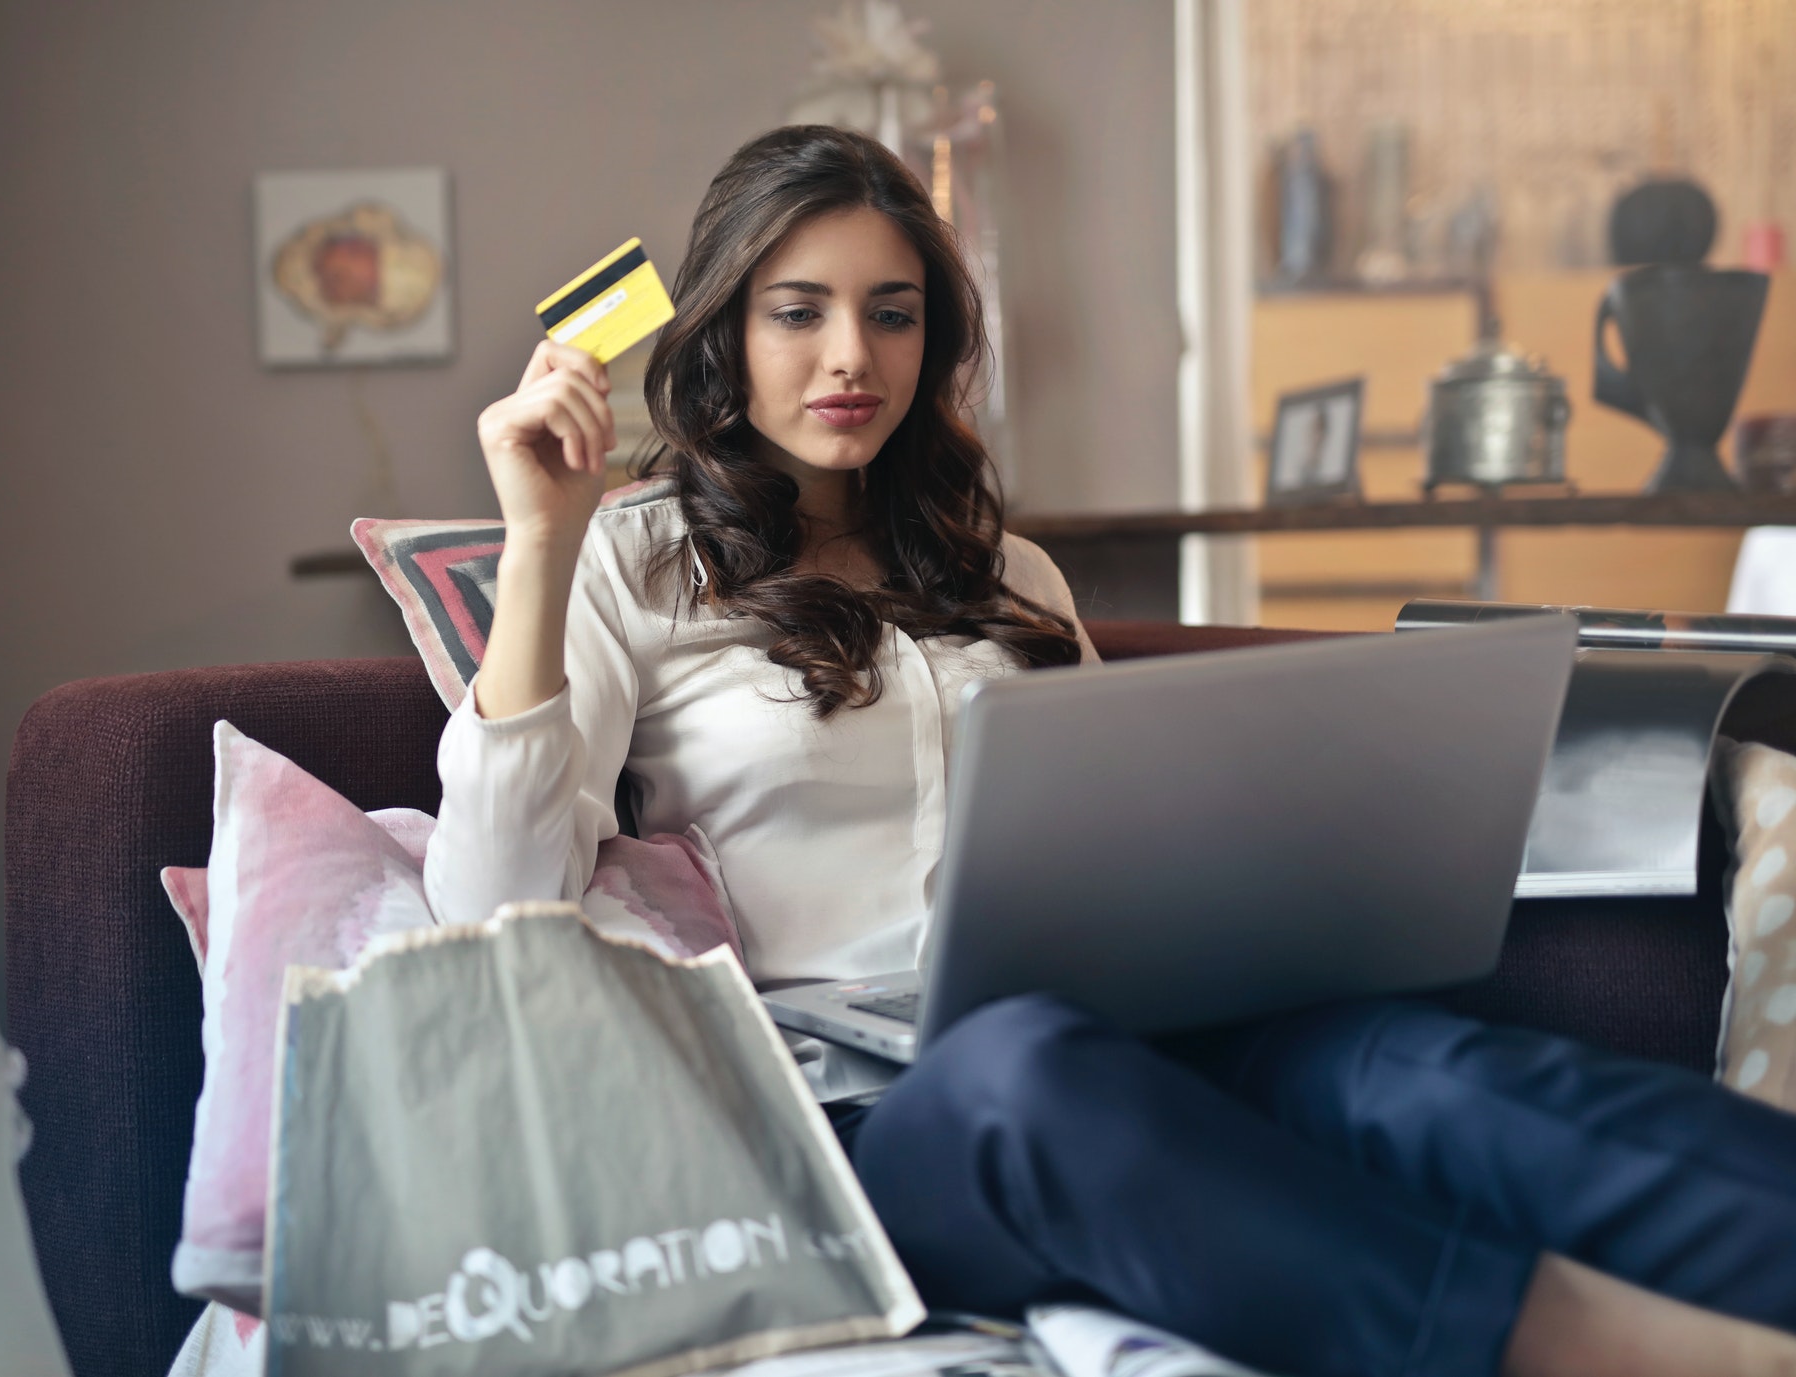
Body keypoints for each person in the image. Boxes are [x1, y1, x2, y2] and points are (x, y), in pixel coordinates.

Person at [425, 126, 1796, 1377]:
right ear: (724, 327)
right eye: (800, 311)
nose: (853, 357)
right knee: (1025, 1073)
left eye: (892, 314)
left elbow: (1121, 821)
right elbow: (490, 906)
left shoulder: (1000, 567)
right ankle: (1600, 1354)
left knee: (1410, 1065)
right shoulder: (636, 562)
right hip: (876, 1132)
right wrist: (539, 546)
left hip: (1136, 1031)